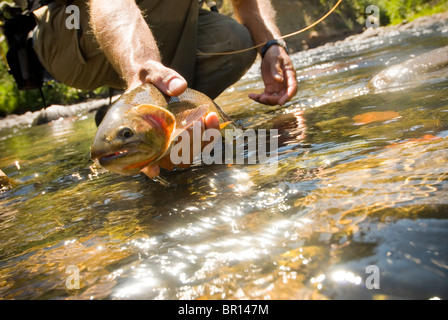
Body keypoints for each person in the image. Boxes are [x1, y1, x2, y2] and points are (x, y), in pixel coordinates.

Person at [31, 0, 298, 177]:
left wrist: (271, 45)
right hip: (68, 25)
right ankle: (140, 109)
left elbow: (246, 4)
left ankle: (165, 130)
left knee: (233, 40)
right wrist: (140, 72)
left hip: (150, 16)